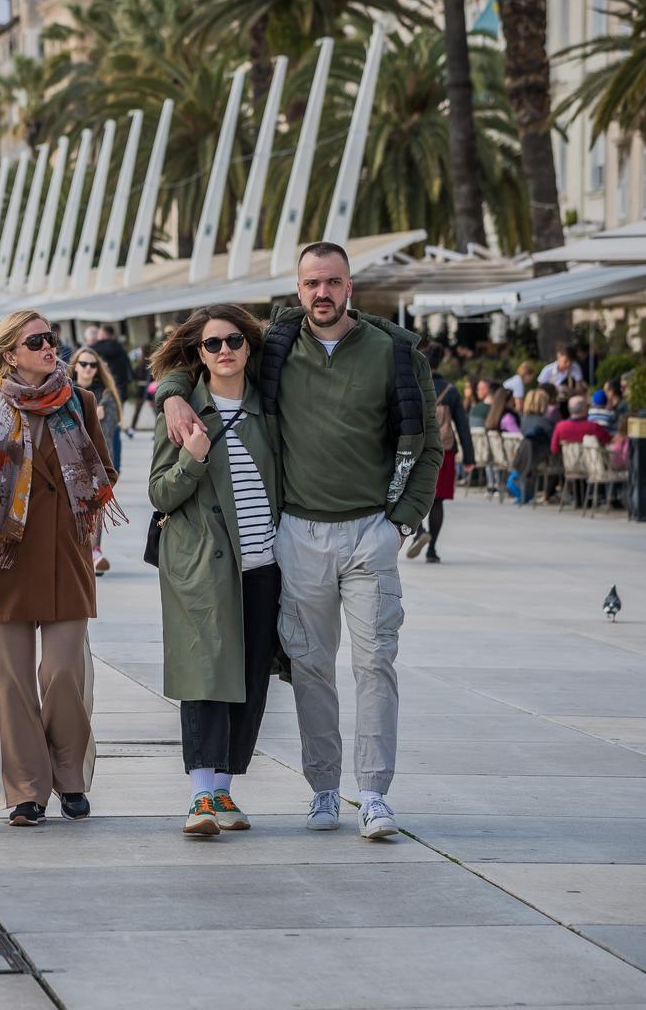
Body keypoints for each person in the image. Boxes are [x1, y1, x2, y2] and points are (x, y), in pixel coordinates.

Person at [156, 241, 442, 840]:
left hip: (371, 531)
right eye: (311, 283)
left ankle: (374, 795)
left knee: (375, 664)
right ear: (298, 289)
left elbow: (429, 445)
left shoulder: (392, 351)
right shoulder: (278, 348)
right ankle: (323, 792)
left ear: (349, 288)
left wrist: (401, 523)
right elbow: (208, 351)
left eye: (332, 282)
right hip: (300, 536)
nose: (322, 293)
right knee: (310, 669)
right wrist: (174, 392)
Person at [0, 311, 121, 826]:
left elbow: (104, 472)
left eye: (52, 338)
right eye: (36, 340)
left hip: (66, 554)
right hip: (5, 556)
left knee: (63, 672)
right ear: (10, 353)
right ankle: (27, 789)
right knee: (10, 681)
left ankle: (71, 777)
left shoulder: (79, 403)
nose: (49, 347)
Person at [149, 305, 280, 836]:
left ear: (249, 346)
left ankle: (224, 792)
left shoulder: (269, 408)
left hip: (263, 564)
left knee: (248, 678)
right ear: (197, 353)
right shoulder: (181, 414)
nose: (224, 350)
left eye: (233, 341)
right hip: (201, 565)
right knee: (205, 675)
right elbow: (160, 492)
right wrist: (193, 456)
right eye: (211, 344)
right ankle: (202, 794)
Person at [407, 346, 474, 564]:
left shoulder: (413, 385)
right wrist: (469, 458)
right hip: (444, 450)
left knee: (410, 495)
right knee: (437, 500)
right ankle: (432, 550)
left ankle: (418, 532)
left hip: (415, 447)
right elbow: (462, 426)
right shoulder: (450, 390)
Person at [69, 346, 122, 574]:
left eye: (92, 365)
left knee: (96, 507)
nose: (88, 369)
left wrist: (98, 418)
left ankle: (95, 550)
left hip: (98, 461)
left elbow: (107, 433)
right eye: (83, 364)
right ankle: (81, 552)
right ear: (76, 366)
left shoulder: (106, 396)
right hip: (70, 459)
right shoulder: (66, 392)